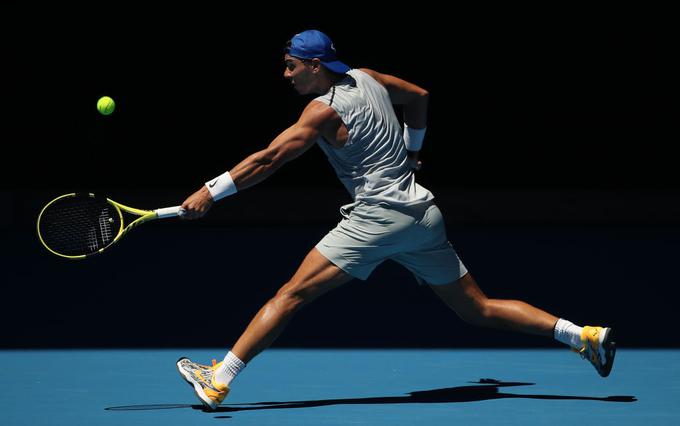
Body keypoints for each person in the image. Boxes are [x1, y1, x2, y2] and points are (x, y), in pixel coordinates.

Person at [175, 29, 616, 411]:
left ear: (314, 65)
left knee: (290, 294)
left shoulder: (321, 110)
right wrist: (413, 149)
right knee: (477, 308)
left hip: (376, 218)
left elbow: (269, 159)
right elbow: (420, 96)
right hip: (423, 216)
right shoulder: (369, 78)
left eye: (291, 66)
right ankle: (583, 336)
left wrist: (210, 192)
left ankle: (220, 378)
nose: (285, 75)